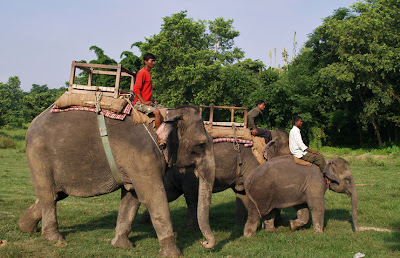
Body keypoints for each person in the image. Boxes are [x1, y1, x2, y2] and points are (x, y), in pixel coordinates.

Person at [133, 53, 162, 130]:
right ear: (145, 61)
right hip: (139, 103)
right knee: (157, 112)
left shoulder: (148, 73)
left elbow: (145, 91)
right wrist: (144, 102)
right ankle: (159, 136)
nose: (153, 63)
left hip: (147, 102)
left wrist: (151, 100)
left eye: (154, 61)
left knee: (164, 109)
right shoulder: (142, 72)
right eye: (152, 61)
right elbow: (136, 89)